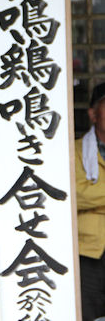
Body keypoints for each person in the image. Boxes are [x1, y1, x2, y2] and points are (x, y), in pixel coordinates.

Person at [76, 82, 105, 321]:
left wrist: (96, 196)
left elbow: (89, 194)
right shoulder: (73, 151)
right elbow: (75, 194)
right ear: (93, 113)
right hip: (90, 253)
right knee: (89, 314)